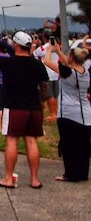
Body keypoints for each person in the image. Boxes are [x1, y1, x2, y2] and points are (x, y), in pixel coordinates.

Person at [0, 31, 48, 189]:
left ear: (16, 45)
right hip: (33, 106)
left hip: (14, 106)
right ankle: (34, 179)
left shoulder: (9, 63)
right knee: (31, 141)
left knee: (12, 140)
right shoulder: (37, 64)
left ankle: (8, 178)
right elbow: (44, 84)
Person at [42, 39, 91, 182]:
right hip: (86, 115)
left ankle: (70, 174)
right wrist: (58, 50)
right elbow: (69, 64)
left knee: (69, 146)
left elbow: (47, 62)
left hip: (69, 114)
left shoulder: (68, 72)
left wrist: (50, 50)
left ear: (71, 57)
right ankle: (82, 173)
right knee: (83, 146)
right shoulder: (85, 72)